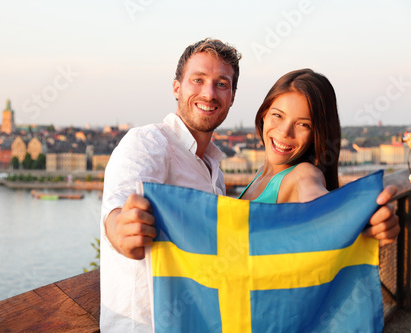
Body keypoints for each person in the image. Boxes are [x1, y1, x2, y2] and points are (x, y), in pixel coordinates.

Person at [100, 39, 400, 332]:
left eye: (221, 83)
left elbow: (317, 199)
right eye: (198, 79)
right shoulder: (150, 143)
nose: (209, 92)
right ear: (177, 86)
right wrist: (120, 227)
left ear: (232, 96)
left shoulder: (300, 173)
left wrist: (356, 218)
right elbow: (119, 200)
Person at [238, 68, 341, 204]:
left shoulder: (303, 174)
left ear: (316, 135)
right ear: (264, 114)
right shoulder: (260, 174)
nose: (285, 132)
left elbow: (317, 199)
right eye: (278, 115)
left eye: (303, 124)